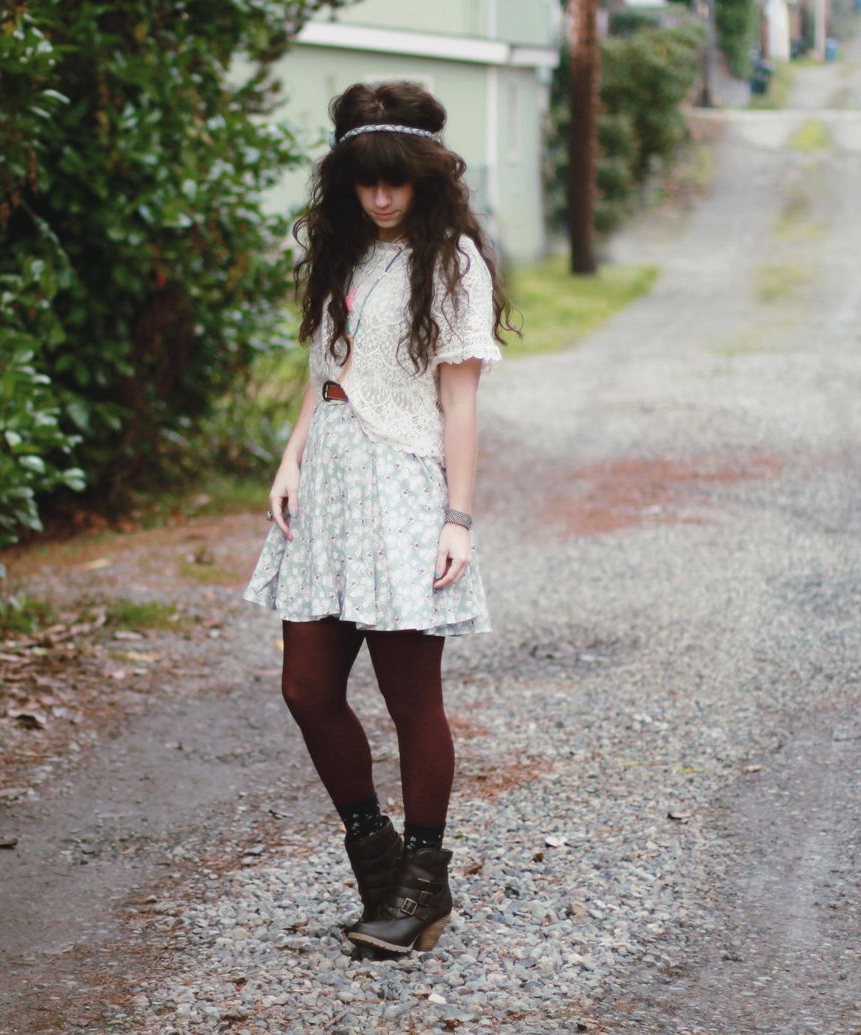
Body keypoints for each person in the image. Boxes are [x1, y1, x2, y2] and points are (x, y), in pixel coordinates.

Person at [242, 80, 517, 954]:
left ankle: (424, 882)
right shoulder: (345, 250)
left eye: (397, 180)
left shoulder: (453, 264)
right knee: (306, 688)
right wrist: (291, 457)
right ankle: (378, 862)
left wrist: (457, 516)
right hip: (327, 484)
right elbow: (326, 370)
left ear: (426, 176)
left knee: (410, 699)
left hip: (401, 487)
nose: (383, 196)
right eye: (366, 180)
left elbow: (459, 403)